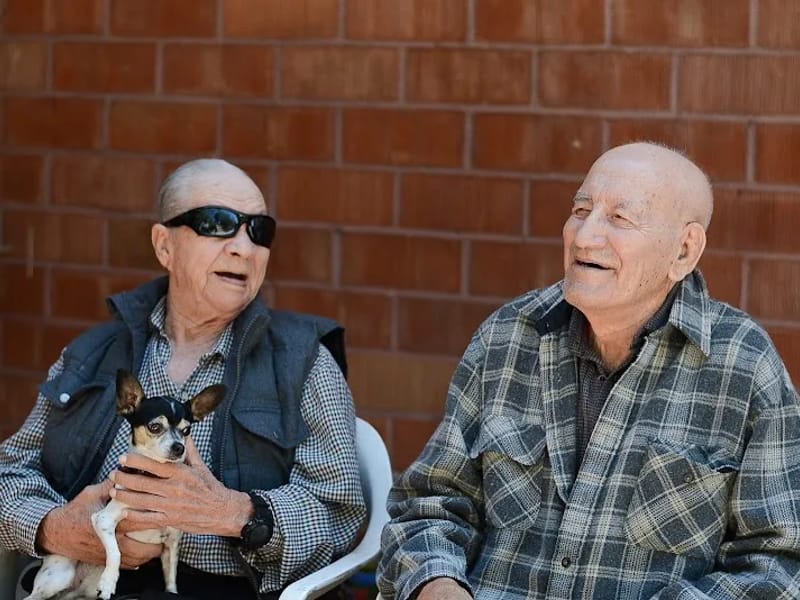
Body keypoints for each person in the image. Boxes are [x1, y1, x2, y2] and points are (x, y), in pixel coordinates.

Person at [377, 142, 800, 599]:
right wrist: (437, 583)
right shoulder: (508, 336)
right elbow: (429, 503)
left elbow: (778, 564)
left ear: (683, 251)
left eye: (619, 218)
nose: (583, 237)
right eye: (580, 211)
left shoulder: (742, 364)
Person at [0, 158, 366, 599]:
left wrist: (237, 513)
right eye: (217, 224)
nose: (244, 248)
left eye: (259, 230)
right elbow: (9, 473)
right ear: (164, 246)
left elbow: (339, 515)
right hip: (83, 582)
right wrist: (54, 527)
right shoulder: (91, 355)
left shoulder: (305, 363)